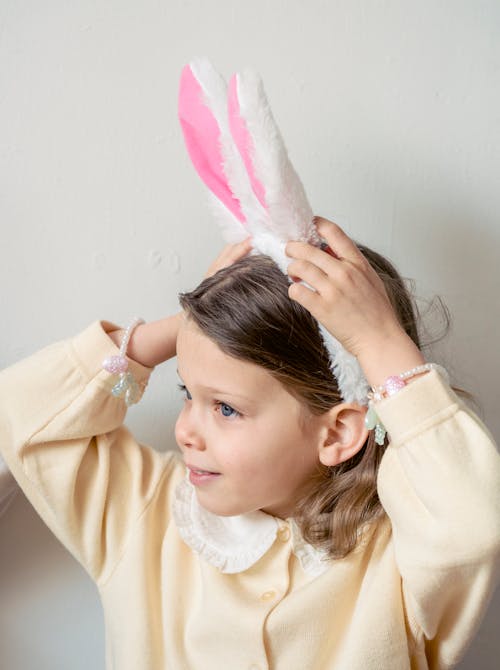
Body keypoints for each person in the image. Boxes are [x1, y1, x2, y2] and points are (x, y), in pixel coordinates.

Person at [0, 218, 499, 670]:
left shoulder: (399, 561)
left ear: (338, 433)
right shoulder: (146, 512)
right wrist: (198, 324)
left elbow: (475, 524)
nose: (184, 432)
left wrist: (380, 344)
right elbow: (21, 410)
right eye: (187, 394)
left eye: (225, 409)